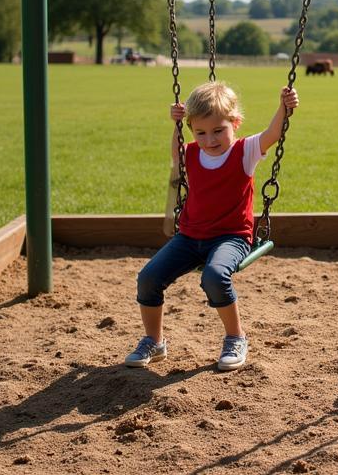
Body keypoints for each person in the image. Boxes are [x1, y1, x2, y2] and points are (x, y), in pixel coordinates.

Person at [125, 81, 299, 372]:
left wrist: (284, 106)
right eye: (201, 132)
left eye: (219, 130)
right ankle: (154, 341)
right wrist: (176, 125)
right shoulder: (192, 153)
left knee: (215, 276)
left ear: (235, 123)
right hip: (190, 235)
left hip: (231, 238)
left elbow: (273, 134)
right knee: (148, 278)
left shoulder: (245, 151)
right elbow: (176, 153)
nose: (210, 140)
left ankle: (235, 337)